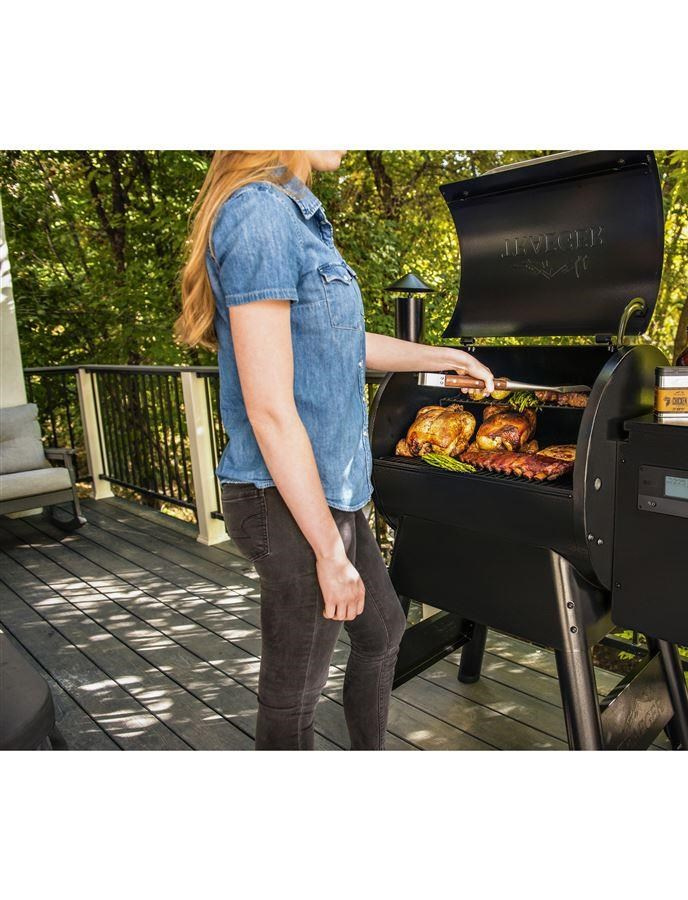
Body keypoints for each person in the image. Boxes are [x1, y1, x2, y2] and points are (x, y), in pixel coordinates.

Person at [176, 151, 494, 750]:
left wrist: (444, 357)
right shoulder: (260, 213)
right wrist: (329, 552)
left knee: (382, 630)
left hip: (327, 492)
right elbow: (269, 410)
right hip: (285, 498)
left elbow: (341, 341)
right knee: (295, 691)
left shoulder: (294, 215)